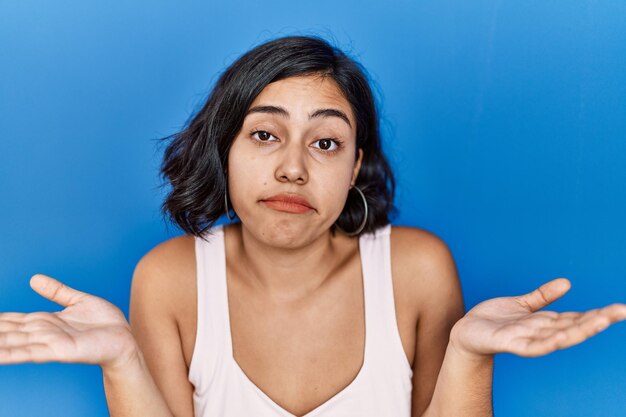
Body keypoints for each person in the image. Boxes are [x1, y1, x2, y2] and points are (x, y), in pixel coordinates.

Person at [1, 35, 625, 417]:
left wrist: (469, 357)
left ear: (355, 166)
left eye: (325, 143)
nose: (293, 168)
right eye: (266, 134)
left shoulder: (417, 268)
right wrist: (121, 365)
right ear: (225, 151)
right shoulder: (169, 279)